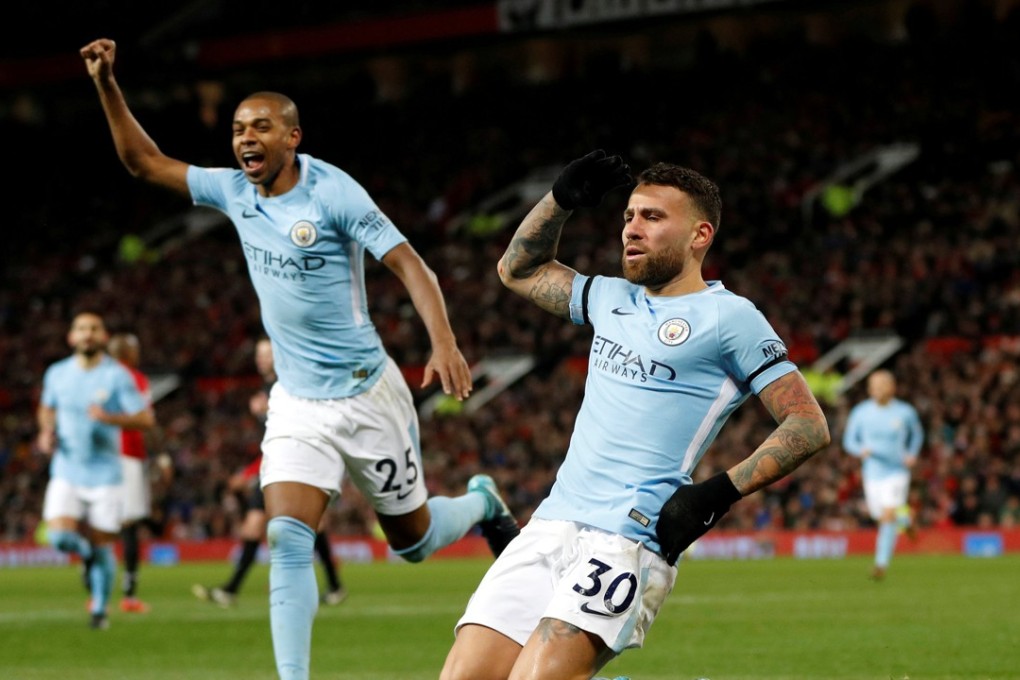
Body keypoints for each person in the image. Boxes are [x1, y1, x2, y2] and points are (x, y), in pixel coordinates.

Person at [82, 38, 518, 678]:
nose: (245, 138)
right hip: (297, 402)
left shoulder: (333, 193)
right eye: (237, 129)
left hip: (368, 394)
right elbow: (144, 163)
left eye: (260, 126)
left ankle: (481, 502)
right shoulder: (233, 191)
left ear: (292, 137)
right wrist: (106, 84)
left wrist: (444, 342)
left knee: (415, 544)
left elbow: (409, 264)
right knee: (287, 537)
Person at [440, 151, 831, 680]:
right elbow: (516, 270)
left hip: (628, 539)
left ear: (699, 235)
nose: (633, 228)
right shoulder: (609, 297)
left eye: (652, 217)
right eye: (628, 215)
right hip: (552, 523)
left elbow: (807, 424)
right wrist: (559, 200)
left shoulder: (730, 318)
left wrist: (709, 498)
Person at [193, 336, 347, 607]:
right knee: (254, 526)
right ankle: (231, 590)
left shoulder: (289, 387)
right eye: (258, 353)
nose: (261, 358)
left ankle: (330, 585)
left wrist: (249, 471)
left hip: (295, 464)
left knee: (313, 525)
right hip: (273, 465)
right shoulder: (268, 389)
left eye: (267, 353)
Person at [36, 312, 155, 630]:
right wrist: (46, 431)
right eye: (81, 329)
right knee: (59, 536)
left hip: (106, 474)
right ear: (71, 337)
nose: (87, 334)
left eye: (93, 329)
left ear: (103, 337)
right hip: (67, 468)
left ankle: (100, 609)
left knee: (105, 542)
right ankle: (84, 552)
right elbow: (47, 408)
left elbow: (144, 419)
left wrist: (109, 419)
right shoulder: (57, 374)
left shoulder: (117, 376)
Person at [841, 369, 923, 581]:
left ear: (892, 388)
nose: (876, 390)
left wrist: (912, 454)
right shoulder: (861, 412)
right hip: (872, 472)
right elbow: (849, 440)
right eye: (873, 386)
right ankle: (907, 517)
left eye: (881, 386)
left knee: (887, 516)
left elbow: (918, 434)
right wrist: (860, 450)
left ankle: (880, 564)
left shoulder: (905, 412)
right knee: (879, 515)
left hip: (896, 471)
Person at [106, 332, 156, 614]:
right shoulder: (134, 378)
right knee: (129, 524)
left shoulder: (98, 377)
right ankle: (129, 595)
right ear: (126, 353)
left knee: (101, 522)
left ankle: (94, 589)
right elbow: (145, 420)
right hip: (128, 455)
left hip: (100, 456)